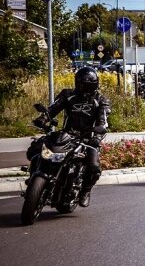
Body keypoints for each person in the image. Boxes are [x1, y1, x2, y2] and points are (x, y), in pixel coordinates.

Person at [29, 67, 110, 208]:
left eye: (84, 84)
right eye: (79, 82)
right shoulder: (68, 94)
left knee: (94, 166)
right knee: (37, 150)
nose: (81, 86)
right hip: (66, 135)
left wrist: (97, 136)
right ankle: (34, 177)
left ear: (93, 84)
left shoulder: (100, 100)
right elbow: (53, 108)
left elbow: (103, 121)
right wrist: (43, 118)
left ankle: (85, 191)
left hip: (87, 139)